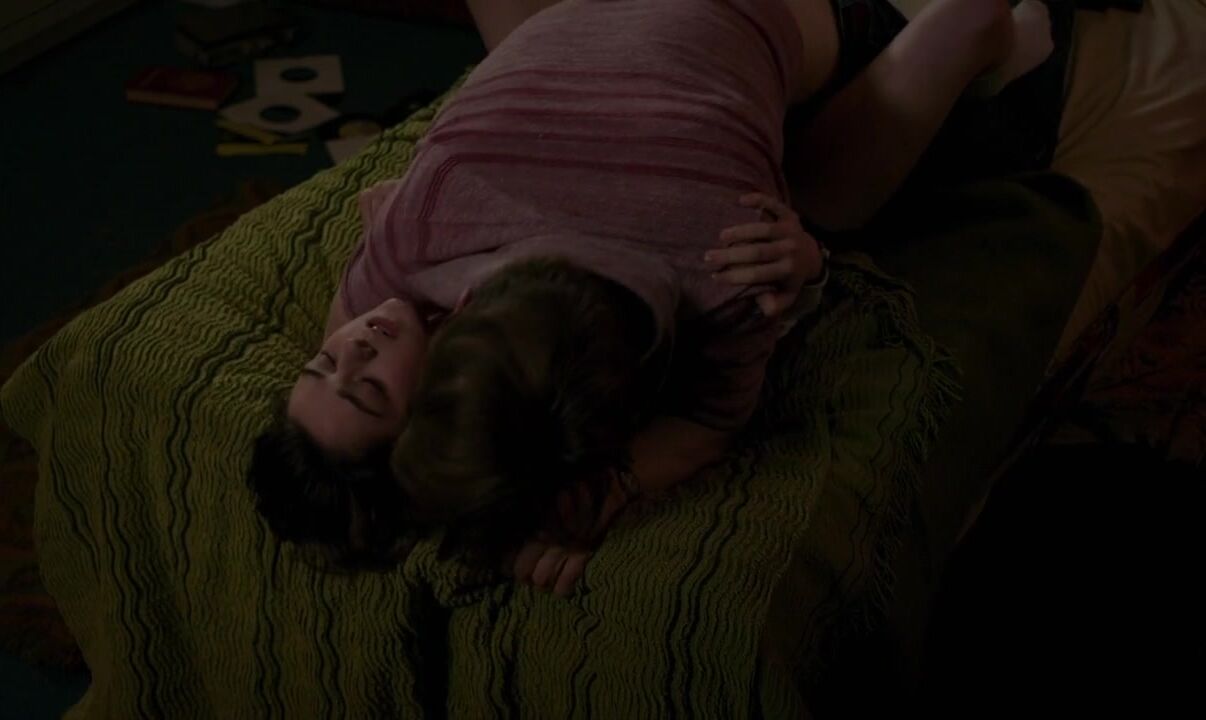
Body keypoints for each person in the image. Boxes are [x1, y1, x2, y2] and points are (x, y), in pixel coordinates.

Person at [247, 0, 1057, 594]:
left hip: (766, 19)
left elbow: (705, 429)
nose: (352, 342)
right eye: (365, 381)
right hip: (619, 26)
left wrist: (577, 505)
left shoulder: (728, 278)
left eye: (327, 362)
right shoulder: (419, 225)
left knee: (823, 203)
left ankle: (974, 26)